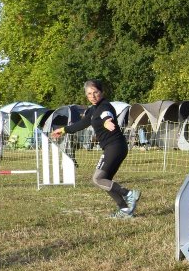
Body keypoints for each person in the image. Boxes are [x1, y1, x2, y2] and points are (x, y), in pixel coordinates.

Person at [51, 80, 140, 218]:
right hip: (115, 147)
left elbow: (107, 115)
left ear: (102, 92)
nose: (92, 96)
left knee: (97, 179)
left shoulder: (105, 106)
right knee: (105, 180)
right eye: (89, 94)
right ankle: (124, 210)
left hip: (115, 147)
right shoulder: (92, 110)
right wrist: (62, 130)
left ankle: (129, 194)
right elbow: (81, 124)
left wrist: (107, 121)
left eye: (95, 92)